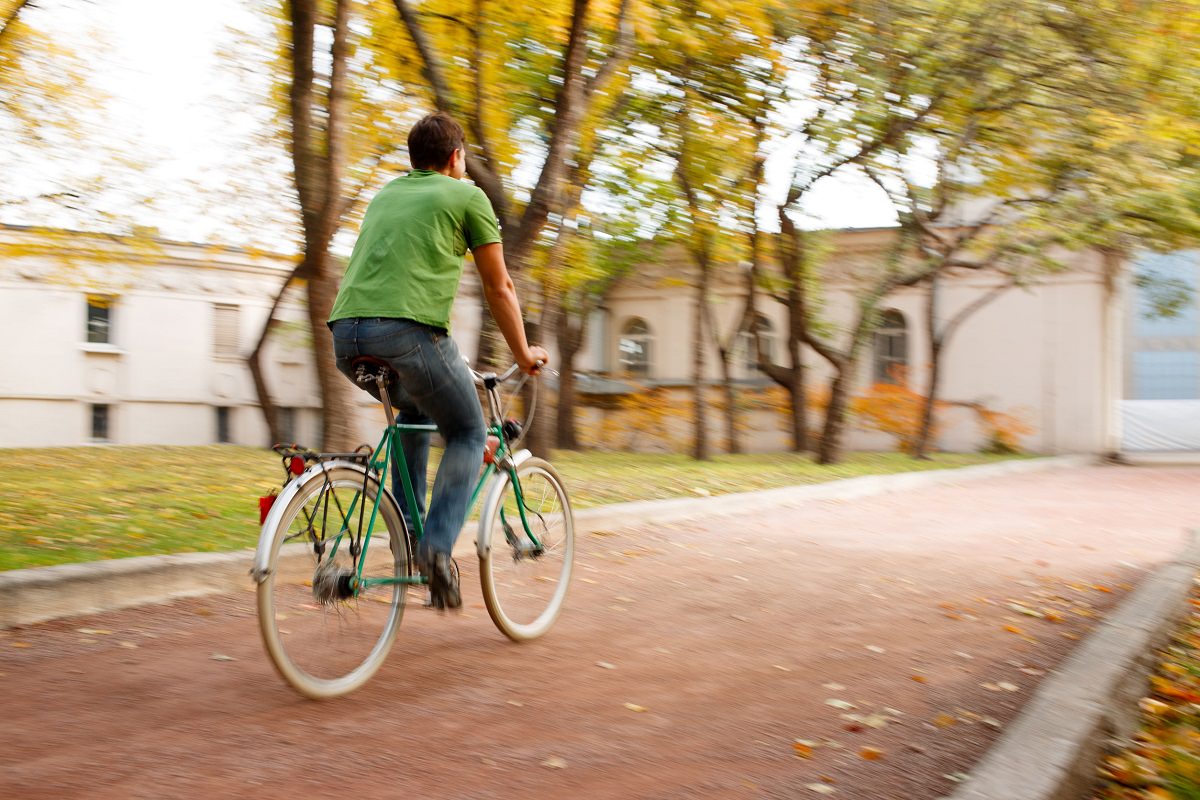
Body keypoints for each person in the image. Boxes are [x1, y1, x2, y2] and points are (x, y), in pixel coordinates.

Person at [327, 111, 549, 610]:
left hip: (346, 337)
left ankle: (407, 534)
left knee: (419, 409)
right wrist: (524, 353)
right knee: (470, 433)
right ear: (456, 158)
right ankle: (435, 550)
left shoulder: (386, 193)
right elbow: (500, 286)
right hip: (409, 334)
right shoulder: (467, 195)